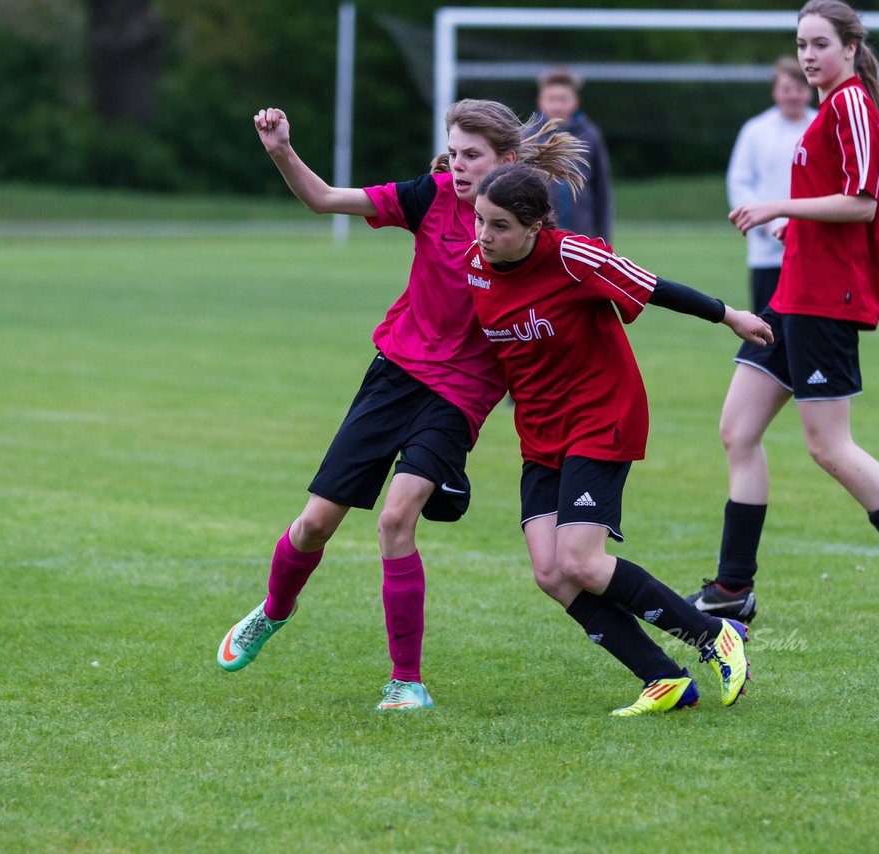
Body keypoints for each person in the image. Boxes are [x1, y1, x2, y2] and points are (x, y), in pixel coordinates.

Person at [216, 100, 588, 711]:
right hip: (394, 376)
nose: (459, 166)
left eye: (474, 155)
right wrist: (281, 149)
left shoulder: (529, 233)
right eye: (455, 152)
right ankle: (274, 609)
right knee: (314, 525)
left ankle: (405, 681)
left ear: (508, 161)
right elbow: (325, 200)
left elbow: (579, 303)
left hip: (461, 395)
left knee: (395, 519)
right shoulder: (429, 197)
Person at [685, 0, 879, 631]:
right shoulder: (833, 109)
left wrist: (777, 209)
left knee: (829, 445)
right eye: (801, 44)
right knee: (738, 430)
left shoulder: (850, 106)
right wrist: (803, 229)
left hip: (824, 302)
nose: (809, 55)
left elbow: (870, 201)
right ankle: (733, 587)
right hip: (794, 294)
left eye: (819, 43)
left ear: (849, 48)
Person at [469, 162, 773, 716]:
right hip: (539, 431)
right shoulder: (476, 266)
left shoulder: (570, 256)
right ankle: (663, 678)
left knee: (581, 561)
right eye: (480, 221)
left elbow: (653, 287)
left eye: (500, 226)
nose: (484, 236)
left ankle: (714, 635)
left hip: (599, 414)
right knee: (551, 572)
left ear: (536, 226)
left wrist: (730, 315)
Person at [726, 57, 817, 314]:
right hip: (766, 254)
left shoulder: (821, 127)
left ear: (809, 90)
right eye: (786, 89)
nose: (793, 95)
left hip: (812, 252)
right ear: (775, 91)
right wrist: (766, 224)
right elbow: (740, 182)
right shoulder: (755, 130)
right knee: (767, 330)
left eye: (799, 88)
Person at [536, 67, 614, 242]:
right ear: (541, 101)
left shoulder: (590, 135)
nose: (557, 105)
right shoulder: (530, 136)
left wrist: (604, 238)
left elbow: (602, 190)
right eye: (551, 99)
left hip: (581, 233)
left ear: (575, 102)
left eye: (563, 99)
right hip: (540, 236)